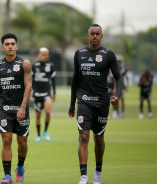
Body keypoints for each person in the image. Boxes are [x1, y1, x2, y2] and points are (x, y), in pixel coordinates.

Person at [68, 24, 123, 184]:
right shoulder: (79, 54)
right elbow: (75, 80)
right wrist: (72, 105)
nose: (94, 36)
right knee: (83, 137)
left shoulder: (108, 54)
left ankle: (98, 172)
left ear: (101, 36)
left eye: (97, 34)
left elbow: (119, 78)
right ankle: (83, 177)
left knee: (99, 138)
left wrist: (116, 95)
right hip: (84, 102)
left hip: (102, 103)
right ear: (88, 35)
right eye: (92, 33)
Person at [0, 33, 32, 184]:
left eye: (12, 44)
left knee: (22, 143)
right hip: (5, 110)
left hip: (21, 110)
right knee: (6, 140)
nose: (10, 46)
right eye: (7, 44)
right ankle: (7, 176)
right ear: (2, 47)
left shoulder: (24, 64)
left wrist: (23, 107)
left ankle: (20, 166)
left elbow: (29, 85)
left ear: (17, 46)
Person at [31, 47, 56, 141]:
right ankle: (38, 135)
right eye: (42, 54)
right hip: (37, 94)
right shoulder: (34, 65)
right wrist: (30, 91)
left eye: (46, 55)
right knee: (38, 115)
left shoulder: (51, 65)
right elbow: (31, 80)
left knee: (48, 112)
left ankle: (45, 131)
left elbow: (53, 80)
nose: (44, 56)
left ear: (48, 55)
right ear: (39, 55)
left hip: (47, 93)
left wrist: (54, 93)